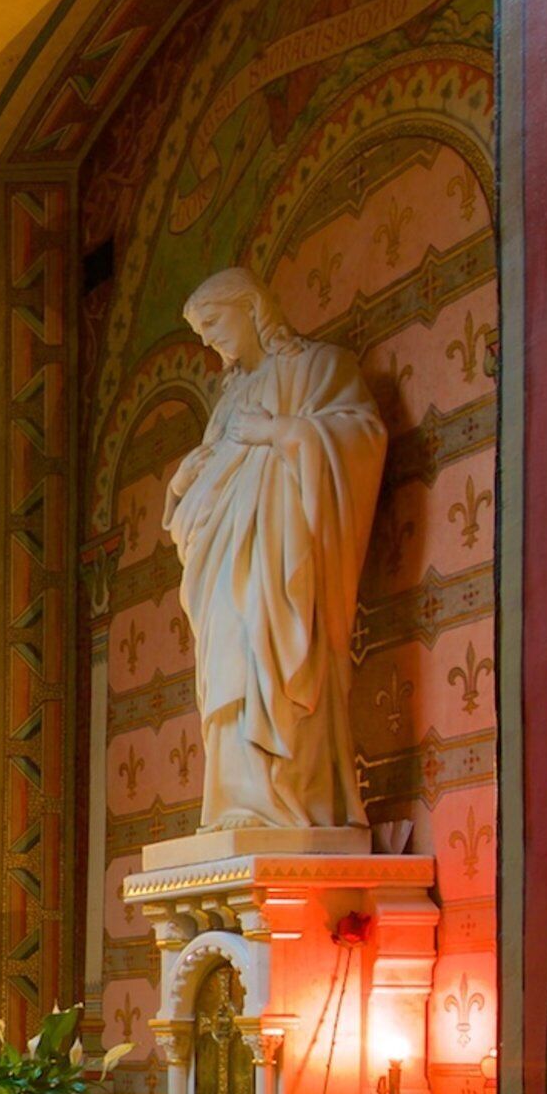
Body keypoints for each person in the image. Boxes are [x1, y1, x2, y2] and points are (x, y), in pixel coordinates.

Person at [162, 265, 388, 833]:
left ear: (252, 307)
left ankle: (280, 801)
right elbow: (209, 483)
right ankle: (235, 802)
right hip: (221, 560)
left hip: (283, 557)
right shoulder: (229, 396)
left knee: (268, 653)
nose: (211, 339)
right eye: (201, 332)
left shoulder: (318, 367)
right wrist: (184, 481)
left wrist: (280, 434)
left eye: (214, 322)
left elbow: (360, 436)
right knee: (227, 664)